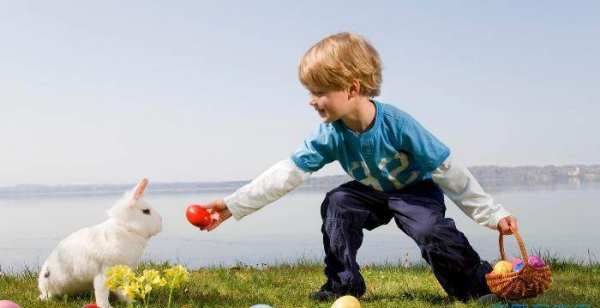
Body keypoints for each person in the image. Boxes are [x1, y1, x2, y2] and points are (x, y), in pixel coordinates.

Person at [198, 32, 518, 303]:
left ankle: (476, 286)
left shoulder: (398, 125)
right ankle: (343, 285)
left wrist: (492, 214)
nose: (311, 100)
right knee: (338, 203)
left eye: (320, 92)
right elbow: (287, 173)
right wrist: (232, 206)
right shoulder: (330, 133)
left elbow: (449, 171)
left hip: (414, 192)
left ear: (352, 88)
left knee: (429, 230)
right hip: (370, 191)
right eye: (310, 92)